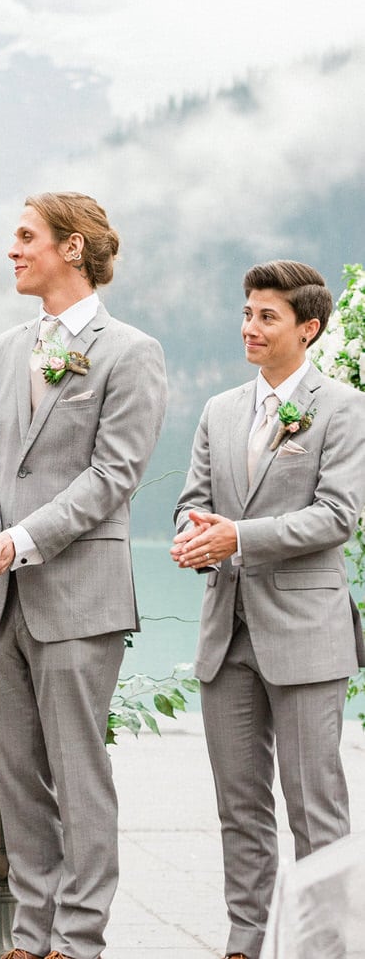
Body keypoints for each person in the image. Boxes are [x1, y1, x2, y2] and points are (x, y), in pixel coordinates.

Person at [0, 193, 167, 959]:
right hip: (1, 602)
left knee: (79, 775)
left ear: (72, 248)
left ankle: (78, 941)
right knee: (15, 775)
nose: (12, 250)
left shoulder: (130, 351)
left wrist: (21, 538)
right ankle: (29, 931)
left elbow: (114, 475)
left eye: (26, 237)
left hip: (80, 596)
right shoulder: (4, 350)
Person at [170, 260, 365, 959]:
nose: (249, 327)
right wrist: (193, 533)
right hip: (227, 633)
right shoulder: (218, 409)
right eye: (248, 313)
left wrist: (237, 537)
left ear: (307, 328)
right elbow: (192, 498)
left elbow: (337, 517)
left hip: (308, 634)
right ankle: (245, 941)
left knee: (317, 807)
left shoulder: (343, 408)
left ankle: (327, 947)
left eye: (267, 317)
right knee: (240, 805)